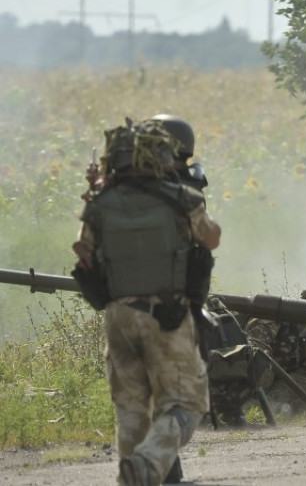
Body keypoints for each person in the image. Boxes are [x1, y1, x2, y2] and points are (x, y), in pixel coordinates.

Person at [72, 118, 221, 485]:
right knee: (185, 404)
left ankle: (135, 475)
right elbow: (212, 238)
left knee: (132, 412)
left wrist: (101, 195)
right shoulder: (182, 198)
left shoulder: (100, 204)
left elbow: (83, 253)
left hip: (119, 316)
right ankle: (149, 463)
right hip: (166, 314)